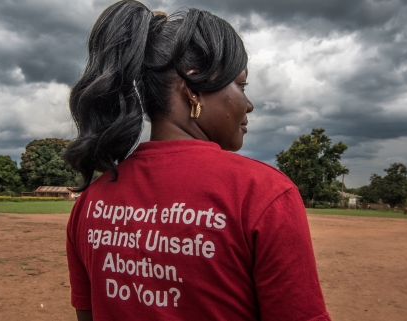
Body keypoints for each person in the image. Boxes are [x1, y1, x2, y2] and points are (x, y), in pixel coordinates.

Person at [63, 1, 331, 320]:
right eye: (241, 85)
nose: (249, 105)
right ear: (192, 87)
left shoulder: (90, 204)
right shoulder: (263, 194)